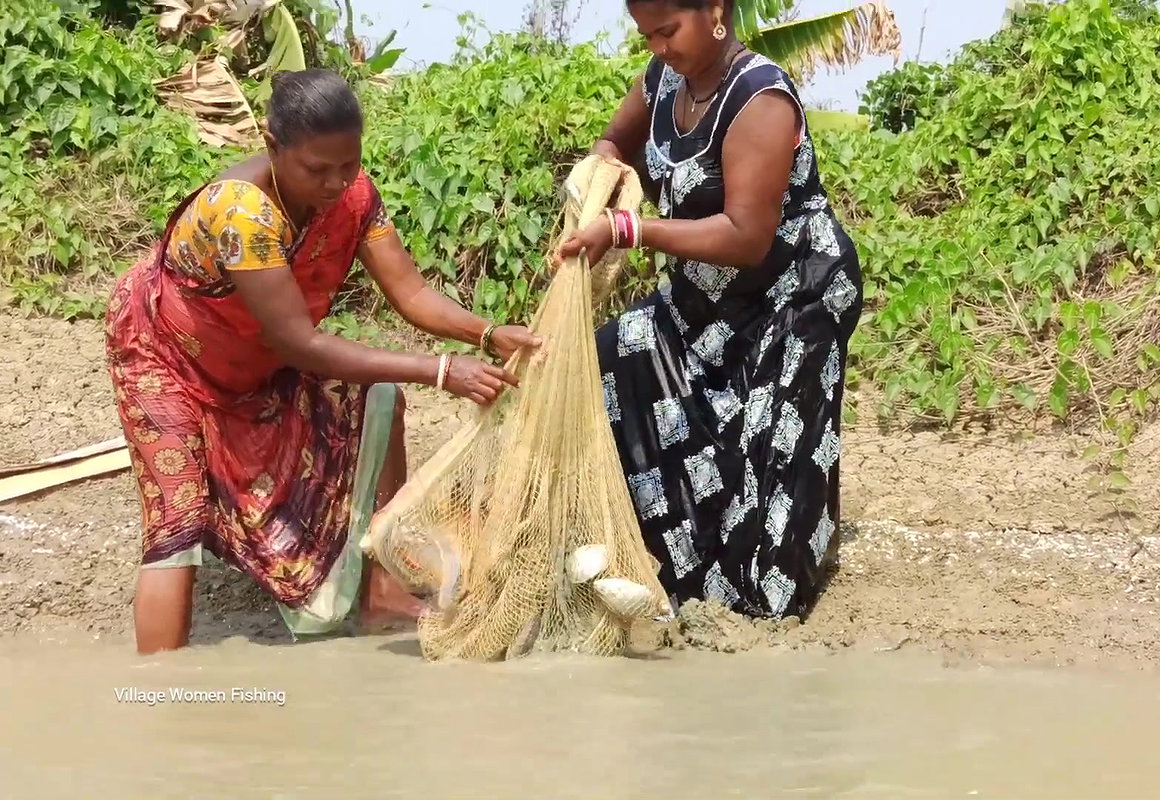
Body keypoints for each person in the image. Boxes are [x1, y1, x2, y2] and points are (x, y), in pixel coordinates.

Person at [105, 68, 541, 654]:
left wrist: (487, 333)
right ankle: (160, 693)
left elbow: (410, 293)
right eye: (317, 169)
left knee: (378, 398)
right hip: (166, 358)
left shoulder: (355, 197)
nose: (336, 183)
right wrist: (441, 370)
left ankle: (380, 588)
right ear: (273, 148)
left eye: (348, 164)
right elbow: (298, 344)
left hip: (252, 358)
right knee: (176, 523)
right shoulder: (242, 213)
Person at [556, 0, 863, 620]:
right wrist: (601, 170)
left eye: (668, 30)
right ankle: (662, 560)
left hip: (791, 292)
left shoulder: (759, 98)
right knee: (618, 354)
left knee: (770, 455)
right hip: (706, 294)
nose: (658, 47)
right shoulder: (662, 81)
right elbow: (617, 140)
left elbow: (746, 236)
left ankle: (769, 575)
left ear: (716, 10)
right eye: (646, 35)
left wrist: (629, 229)